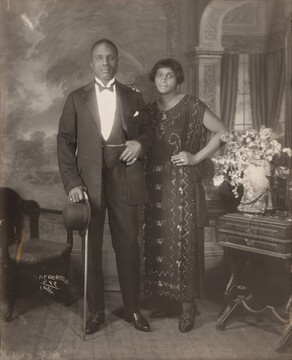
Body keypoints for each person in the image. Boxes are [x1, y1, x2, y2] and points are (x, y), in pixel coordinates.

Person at [57, 39, 152, 334]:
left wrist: (139, 143)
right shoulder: (76, 97)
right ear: (92, 63)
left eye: (110, 58)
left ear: (117, 61)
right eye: (100, 58)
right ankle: (96, 311)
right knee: (92, 248)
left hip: (126, 177)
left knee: (128, 245)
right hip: (89, 183)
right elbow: (64, 141)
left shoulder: (133, 96)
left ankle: (133, 309)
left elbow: (149, 131)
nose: (106, 63)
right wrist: (72, 183)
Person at [143, 58, 227, 332]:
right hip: (154, 187)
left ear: (178, 79)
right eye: (159, 75)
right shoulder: (147, 110)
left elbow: (223, 133)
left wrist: (195, 157)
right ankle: (169, 301)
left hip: (182, 188)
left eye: (169, 75)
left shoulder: (192, 105)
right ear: (154, 79)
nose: (164, 80)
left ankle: (188, 308)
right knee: (160, 244)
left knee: (183, 245)